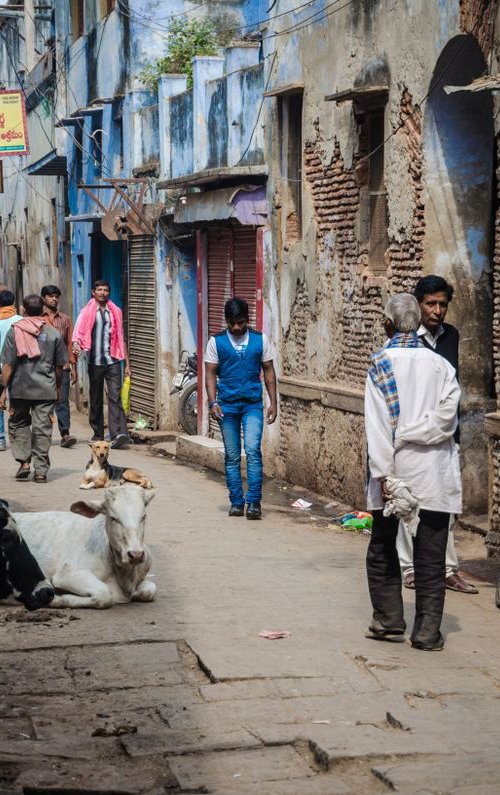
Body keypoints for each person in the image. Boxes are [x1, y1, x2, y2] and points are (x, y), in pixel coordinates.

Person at [365, 293, 461, 651]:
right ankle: (426, 633)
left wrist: (387, 471)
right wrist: (417, 431)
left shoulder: (380, 365)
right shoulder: (442, 367)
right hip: (435, 475)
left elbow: (377, 428)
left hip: (392, 475)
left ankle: (389, 621)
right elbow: (444, 423)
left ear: (387, 324)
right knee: (431, 556)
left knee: (383, 548)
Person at [396, 274, 478, 594]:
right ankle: (409, 568)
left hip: (444, 433)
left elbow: (452, 387)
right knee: (408, 504)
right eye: (431, 304)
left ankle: (447, 569)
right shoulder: (405, 339)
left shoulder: (451, 337)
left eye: (442, 304)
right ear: (418, 305)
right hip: (411, 433)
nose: (437, 311)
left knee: (445, 504)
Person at [204, 297, 277, 519]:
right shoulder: (216, 342)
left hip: (253, 404)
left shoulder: (260, 340)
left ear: (247, 320)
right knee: (233, 455)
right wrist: (212, 402)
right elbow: (210, 374)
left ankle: (254, 502)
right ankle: (236, 501)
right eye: (232, 323)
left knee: (253, 451)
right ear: (226, 321)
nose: (236, 327)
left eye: (241, 323)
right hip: (227, 406)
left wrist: (273, 402)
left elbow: (269, 371)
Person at [0, 294, 67, 483]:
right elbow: (59, 367)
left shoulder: (14, 332)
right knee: (42, 429)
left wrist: (3, 389)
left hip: (19, 389)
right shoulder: (53, 333)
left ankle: (24, 463)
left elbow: (7, 365)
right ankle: (41, 471)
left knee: (18, 424)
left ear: (23, 310)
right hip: (45, 389)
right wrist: (58, 387)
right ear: (43, 311)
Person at [72, 280, 130, 449]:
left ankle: (117, 433)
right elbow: (78, 332)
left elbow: (121, 338)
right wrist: (77, 344)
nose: (103, 293)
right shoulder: (86, 312)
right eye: (99, 290)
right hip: (95, 362)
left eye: (105, 290)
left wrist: (127, 364)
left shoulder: (116, 312)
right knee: (96, 399)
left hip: (113, 360)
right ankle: (97, 432)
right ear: (93, 292)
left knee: (115, 397)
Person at [41, 285, 78, 448]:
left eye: (56, 296)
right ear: (44, 298)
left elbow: (69, 343)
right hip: (42, 367)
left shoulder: (65, 319)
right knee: (44, 403)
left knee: (62, 401)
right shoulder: (37, 319)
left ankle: (65, 434)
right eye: (50, 296)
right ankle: (44, 435)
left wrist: (73, 366)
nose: (54, 299)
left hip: (62, 367)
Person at [0, 290, 22, 451]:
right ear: (13, 302)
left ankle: (0, 438)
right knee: (17, 403)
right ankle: (19, 437)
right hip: (17, 366)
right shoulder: (20, 321)